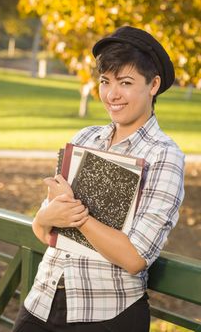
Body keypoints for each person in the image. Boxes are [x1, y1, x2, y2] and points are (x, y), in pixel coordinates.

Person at [12, 26, 185, 332]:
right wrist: (46, 217)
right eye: (105, 81)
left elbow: (133, 258)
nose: (111, 94)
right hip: (42, 301)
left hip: (107, 313)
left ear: (154, 84)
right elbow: (45, 230)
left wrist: (77, 216)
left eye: (126, 82)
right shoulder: (85, 138)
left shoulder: (164, 156)